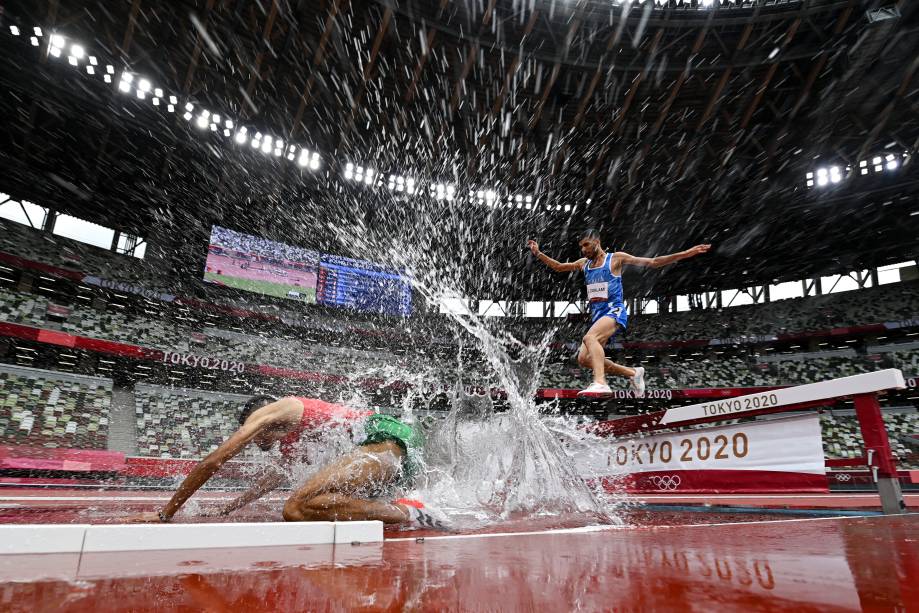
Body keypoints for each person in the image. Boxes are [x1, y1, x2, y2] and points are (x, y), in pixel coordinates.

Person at [127, 395, 446, 528]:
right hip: (390, 452)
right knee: (312, 503)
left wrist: (165, 513)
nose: (256, 444)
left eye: (254, 437)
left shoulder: (273, 411)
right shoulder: (293, 438)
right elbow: (276, 478)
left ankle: (410, 512)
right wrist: (229, 507)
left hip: (386, 436)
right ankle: (406, 506)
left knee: (295, 508)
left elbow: (213, 462)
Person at [528, 230, 710, 396]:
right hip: (597, 315)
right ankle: (633, 373)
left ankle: (600, 382)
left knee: (589, 339)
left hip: (614, 310)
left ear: (597, 242)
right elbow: (559, 267)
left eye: (586, 245)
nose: (583, 250)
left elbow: (652, 262)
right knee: (583, 359)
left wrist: (686, 253)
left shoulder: (615, 259)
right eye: (581, 246)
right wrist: (538, 253)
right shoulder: (584, 264)